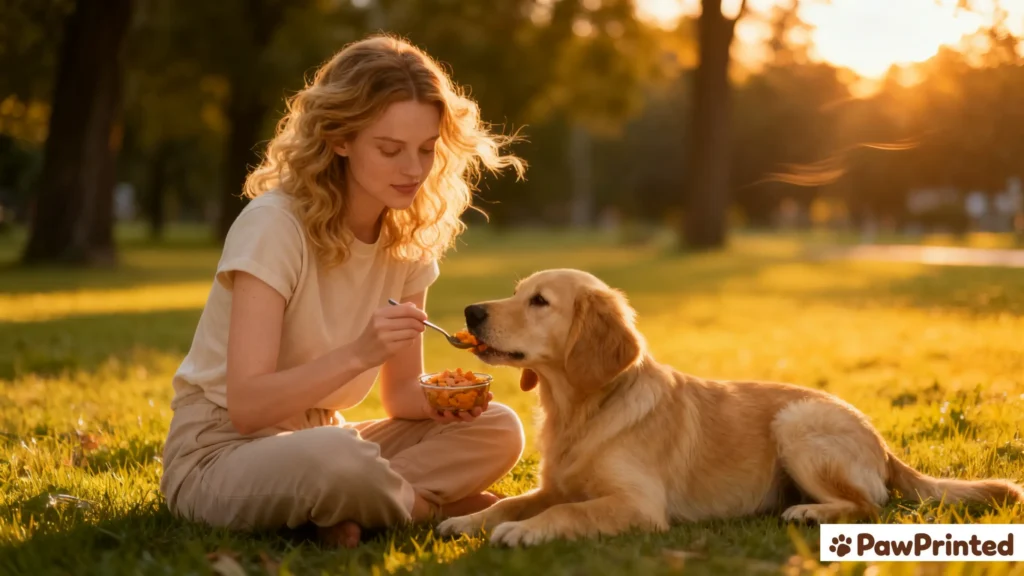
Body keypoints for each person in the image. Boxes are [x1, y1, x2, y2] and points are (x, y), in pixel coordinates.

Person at [159, 34, 527, 548]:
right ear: (340, 139)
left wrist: (448, 401)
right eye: (390, 149)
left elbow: (400, 396)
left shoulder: (408, 239)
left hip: (323, 441)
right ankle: (423, 509)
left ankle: (352, 510)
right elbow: (247, 406)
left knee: (499, 428)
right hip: (221, 451)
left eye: (426, 150)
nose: (414, 170)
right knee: (338, 459)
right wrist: (359, 354)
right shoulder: (274, 226)